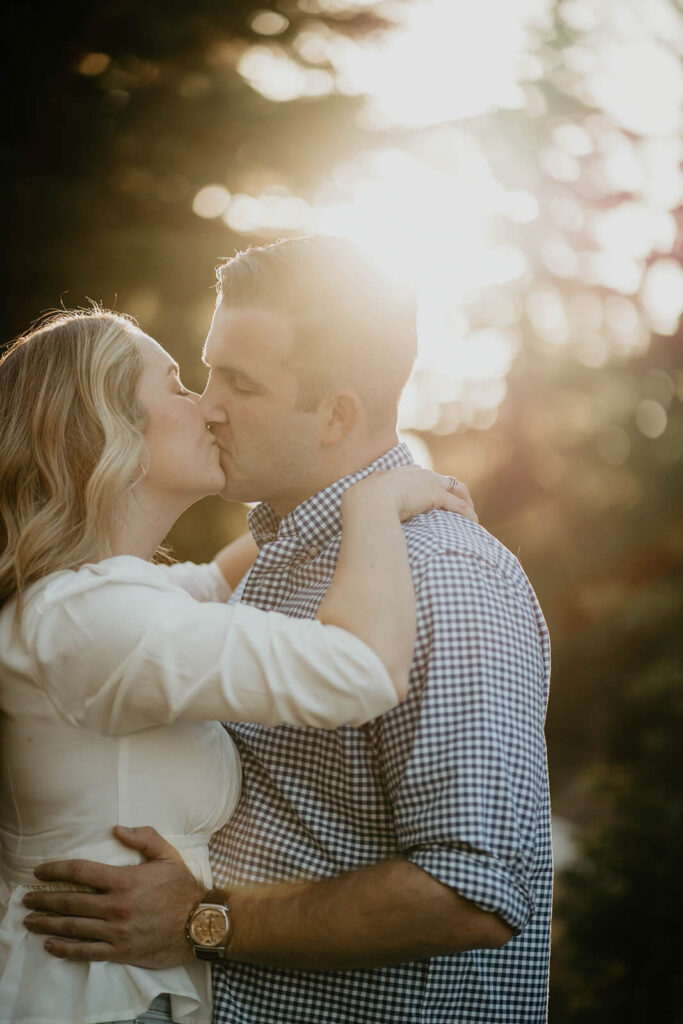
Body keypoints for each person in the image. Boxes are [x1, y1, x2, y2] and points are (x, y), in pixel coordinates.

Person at [24, 237, 553, 1023]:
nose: (207, 405)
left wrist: (203, 919)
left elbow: (470, 891)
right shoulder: (274, 562)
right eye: (206, 372)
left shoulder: (446, 578)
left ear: (337, 414)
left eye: (237, 383)